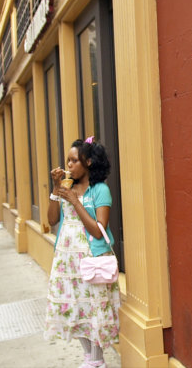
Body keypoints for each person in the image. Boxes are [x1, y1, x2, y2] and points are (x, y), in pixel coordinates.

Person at [44, 137, 120, 368]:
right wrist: (56, 189)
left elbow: (99, 231)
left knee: (94, 308)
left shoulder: (100, 190)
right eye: (68, 160)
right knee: (75, 308)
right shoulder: (67, 187)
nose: (69, 165)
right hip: (67, 261)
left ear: (88, 162)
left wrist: (76, 202)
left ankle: (97, 360)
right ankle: (89, 357)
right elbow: (52, 219)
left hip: (92, 258)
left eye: (74, 160)